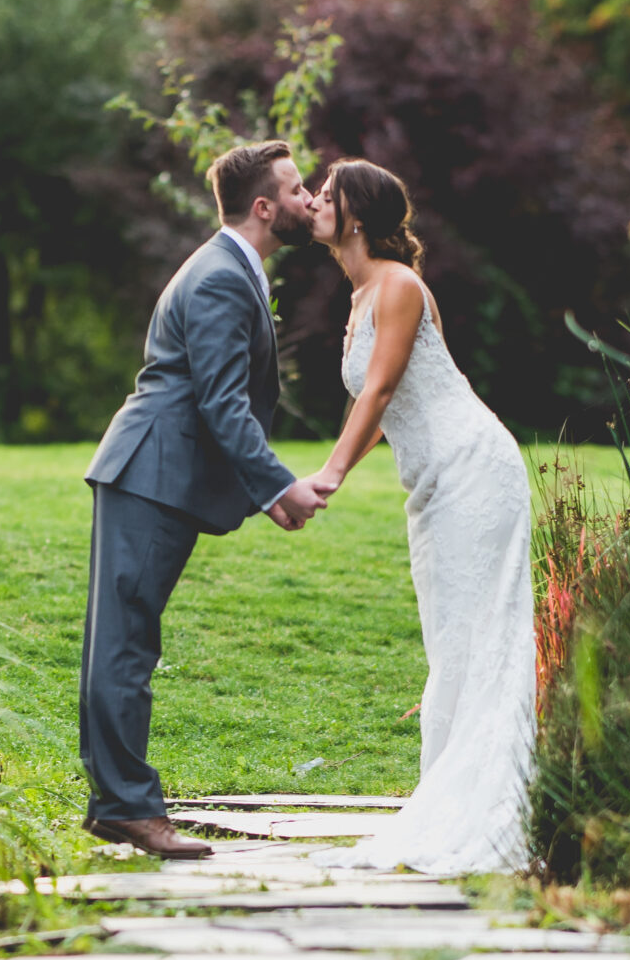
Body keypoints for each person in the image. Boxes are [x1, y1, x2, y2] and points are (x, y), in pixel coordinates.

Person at [79, 138, 329, 858]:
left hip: (157, 472)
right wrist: (278, 484)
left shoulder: (229, 266)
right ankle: (126, 806)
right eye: (296, 188)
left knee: (125, 639)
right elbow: (222, 403)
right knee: (124, 643)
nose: (308, 197)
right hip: (152, 472)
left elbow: (216, 400)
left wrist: (264, 492)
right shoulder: (221, 275)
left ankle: (117, 803)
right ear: (264, 207)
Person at [308, 160, 534, 874]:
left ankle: (490, 807)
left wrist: (330, 473)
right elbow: (379, 411)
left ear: (355, 215)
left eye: (325, 194)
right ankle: (450, 796)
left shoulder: (399, 285)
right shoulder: (360, 295)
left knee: (476, 637)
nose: (312, 201)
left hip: (474, 470)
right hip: (432, 485)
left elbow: (377, 391)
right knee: (450, 643)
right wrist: (333, 471)